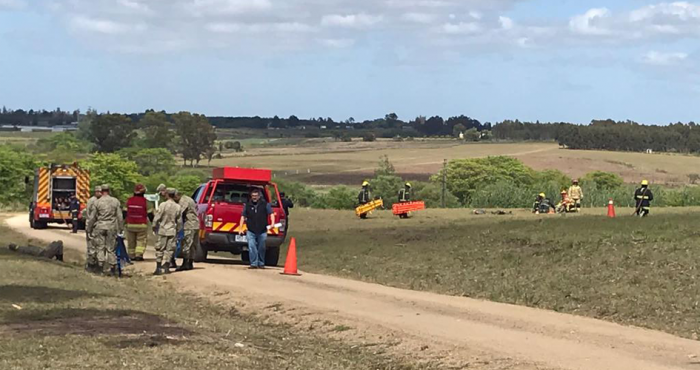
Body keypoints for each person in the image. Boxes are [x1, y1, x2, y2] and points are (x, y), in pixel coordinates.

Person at [86, 184, 124, 276]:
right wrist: (121, 228)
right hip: (111, 227)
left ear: (101, 191)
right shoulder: (115, 201)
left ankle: (100, 267)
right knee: (111, 249)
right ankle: (113, 268)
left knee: (100, 248)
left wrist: (89, 229)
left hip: (100, 227)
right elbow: (120, 217)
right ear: (109, 190)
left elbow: (92, 218)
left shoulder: (97, 202)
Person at [238, 188, 275, 269]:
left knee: (261, 247)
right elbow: (243, 217)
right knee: (251, 247)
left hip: (262, 231)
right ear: (251, 196)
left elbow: (271, 214)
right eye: (253, 196)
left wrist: (272, 223)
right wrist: (240, 228)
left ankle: (261, 263)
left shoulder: (265, 204)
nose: (254, 197)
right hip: (251, 230)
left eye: (256, 196)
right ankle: (254, 263)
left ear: (259, 196)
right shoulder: (247, 205)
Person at [152, 188, 182, 275]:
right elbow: (179, 221)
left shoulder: (163, 205)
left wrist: (154, 226)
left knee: (160, 249)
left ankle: (158, 267)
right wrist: (178, 230)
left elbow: (157, 217)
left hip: (163, 230)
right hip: (172, 230)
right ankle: (167, 266)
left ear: (167, 194)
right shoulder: (178, 206)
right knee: (170, 249)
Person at [174, 189, 198, 272]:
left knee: (187, 244)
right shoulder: (189, 199)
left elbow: (179, 213)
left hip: (189, 224)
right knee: (193, 245)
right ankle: (190, 262)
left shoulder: (183, 201)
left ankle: (186, 263)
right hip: (195, 224)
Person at [126, 184, 150, 261]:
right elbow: (150, 214)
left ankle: (131, 255)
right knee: (141, 241)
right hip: (141, 225)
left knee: (131, 241)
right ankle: (138, 255)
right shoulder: (146, 202)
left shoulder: (129, 201)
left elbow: (124, 213)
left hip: (130, 224)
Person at [84, 186, 102, 273]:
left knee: (99, 246)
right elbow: (88, 214)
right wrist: (89, 227)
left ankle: (98, 264)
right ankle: (91, 264)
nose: (99, 193)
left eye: (100, 191)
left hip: (99, 226)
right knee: (91, 246)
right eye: (97, 191)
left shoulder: (101, 201)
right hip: (92, 226)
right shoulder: (91, 201)